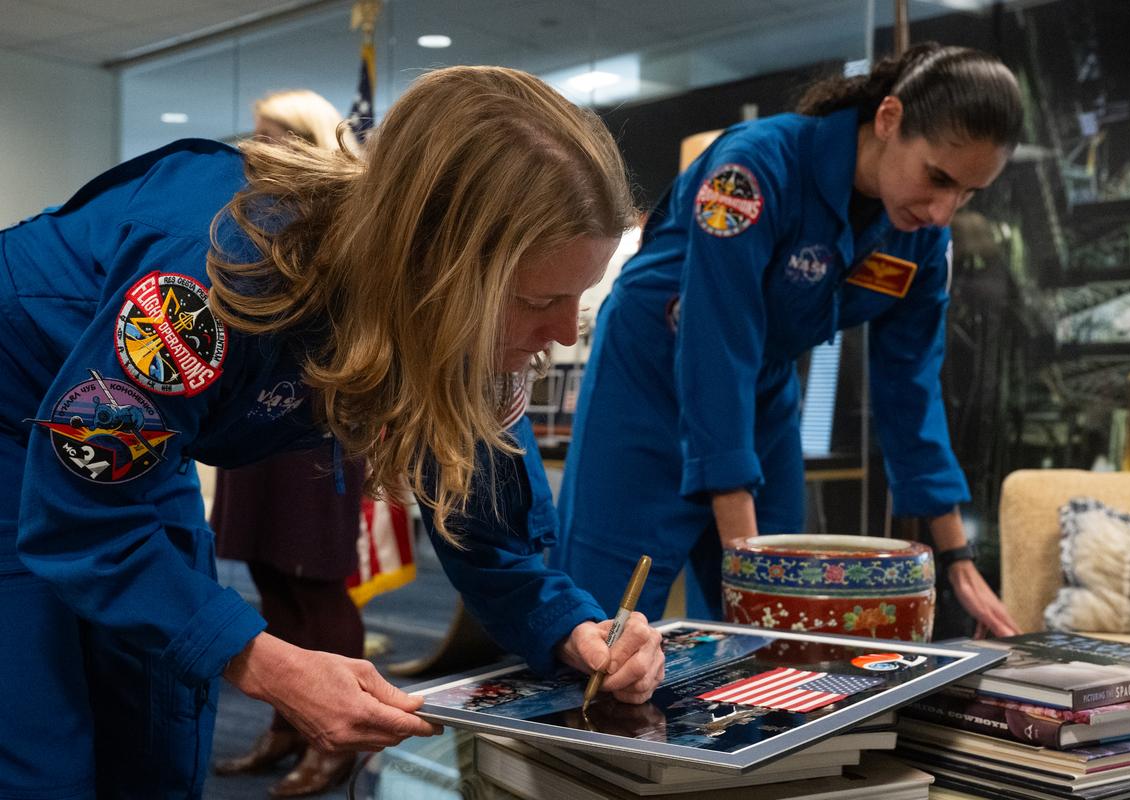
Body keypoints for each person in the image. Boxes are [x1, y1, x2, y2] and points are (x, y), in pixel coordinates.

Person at [0, 66, 664, 799]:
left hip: (136, 448)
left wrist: (572, 628)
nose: (562, 332)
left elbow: (486, 526)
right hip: (13, 414)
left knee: (158, 737)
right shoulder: (212, 279)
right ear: (431, 269)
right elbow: (82, 518)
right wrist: (274, 666)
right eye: (539, 299)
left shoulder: (463, 319)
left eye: (578, 296)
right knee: (41, 751)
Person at [553, 43, 1024, 638]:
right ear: (888, 119)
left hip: (761, 388)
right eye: (938, 178)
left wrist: (957, 558)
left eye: (968, 194)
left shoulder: (921, 237)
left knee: (777, 633)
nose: (943, 210)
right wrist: (743, 557)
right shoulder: (752, 169)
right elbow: (715, 341)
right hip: (650, 380)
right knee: (605, 618)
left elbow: (911, 386)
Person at [208, 89, 368, 797]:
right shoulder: (249, 220)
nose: (253, 147)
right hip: (254, 428)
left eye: (270, 134)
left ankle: (338, 740)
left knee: (317, 586)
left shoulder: (351, 223)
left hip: (318, 430)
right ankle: (285, 727)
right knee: (271, 582)